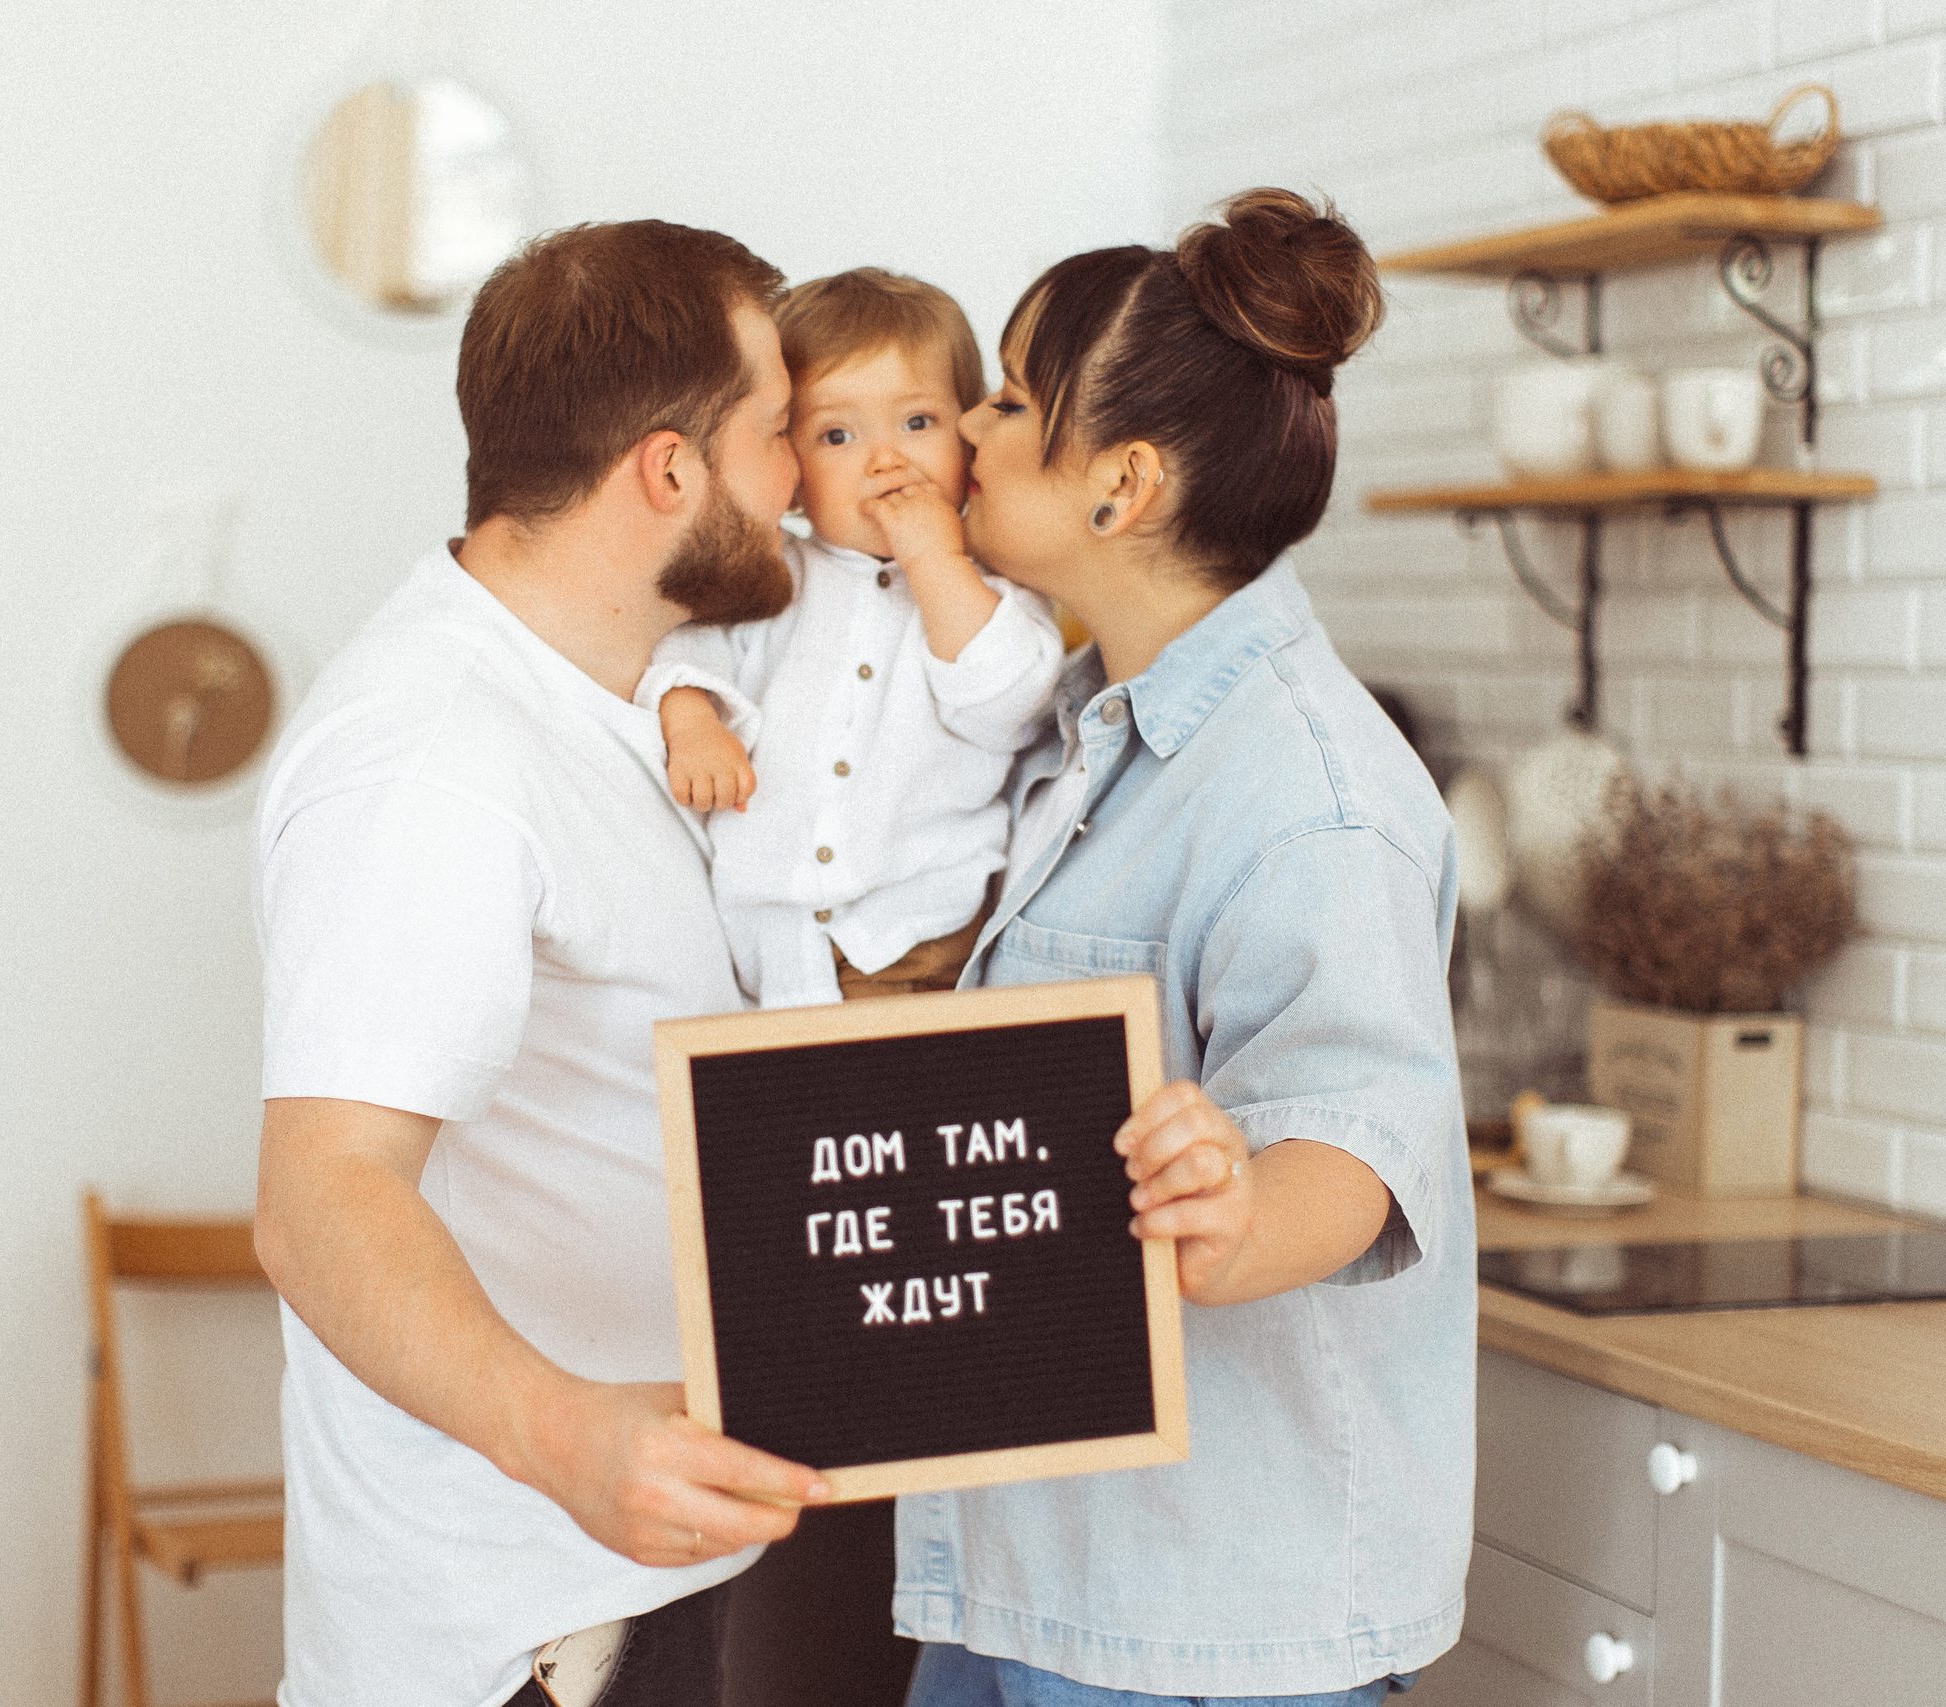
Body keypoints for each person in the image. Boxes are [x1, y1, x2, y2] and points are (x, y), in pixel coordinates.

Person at [880, 189, 1476, 1705]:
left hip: (1207, 1619)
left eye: (1011, 399)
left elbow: (1358, 1139)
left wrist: (1238, 1211)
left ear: (1121, 482)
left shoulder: (1311, 795)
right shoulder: (1093, 736)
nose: (968, 428)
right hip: (1037, 1571)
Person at [250, 218, 837, 1707]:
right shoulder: (435, 750)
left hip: (627, 1587)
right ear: (666, 469)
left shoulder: (611, 706)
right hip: (518, 1635)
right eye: (777, 433)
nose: (808, 484)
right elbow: (324, 1198)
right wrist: (569, 1435)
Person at [649, 267, 1065, 1008]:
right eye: (836, 435)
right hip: (765, 947)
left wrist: (934, 558)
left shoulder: (994, 591)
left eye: (918, 423)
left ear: (967, 440)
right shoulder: (771, 577)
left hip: (918, 940)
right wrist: (692, 719)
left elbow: (1004, 706)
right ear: (794, 473)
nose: (884, 459)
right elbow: (689, 649)